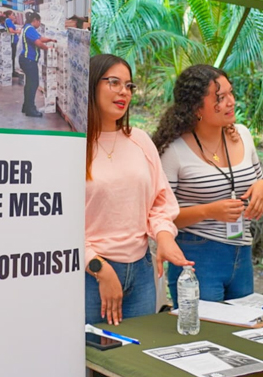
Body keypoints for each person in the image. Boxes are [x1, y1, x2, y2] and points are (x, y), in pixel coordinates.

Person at [85, 53, 192, 325]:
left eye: (129, 85)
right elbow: (56, 221)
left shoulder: (140, 140)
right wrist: (97, 267)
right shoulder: (73, 145)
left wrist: (165, 236)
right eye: (114, 82)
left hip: (142, 272)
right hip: (90, 275)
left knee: (135, 358)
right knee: (88, 361)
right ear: (91, 84)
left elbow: (160, 202)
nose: (124, 92)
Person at [152, 64, 263, 305]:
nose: (231, 102)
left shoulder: (242, 134)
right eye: (220, 98)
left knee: (242, 329)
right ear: (196, 108)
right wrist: (209, 211)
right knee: (204, 331)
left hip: (242, 250)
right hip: (197, 256)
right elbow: (160, 217)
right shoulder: (174, 151)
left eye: (230, 93)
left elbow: (258, 180)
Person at [18, 12, 57, 118]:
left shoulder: (28, 28)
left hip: (27, 60)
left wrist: (50, 40)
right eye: (39, 21)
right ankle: (30, 110)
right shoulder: (29, 29)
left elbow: (40, 38)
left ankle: (26, 106)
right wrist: (49, 49)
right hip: (28, 60)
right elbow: (38, 43)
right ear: (35, 20)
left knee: (29, 84)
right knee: (33, 84)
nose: (39, 24)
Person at [4, 10, 19, 81]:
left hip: (14, 41)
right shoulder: (8, 20)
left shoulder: (10, 21)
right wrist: (18, 31)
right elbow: (11, 31)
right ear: (9, 15)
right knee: (12, 57)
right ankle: (12, 72)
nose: (14, 16)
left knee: (13, 56)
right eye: (13, 15)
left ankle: (12, 71)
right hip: (12, 41)